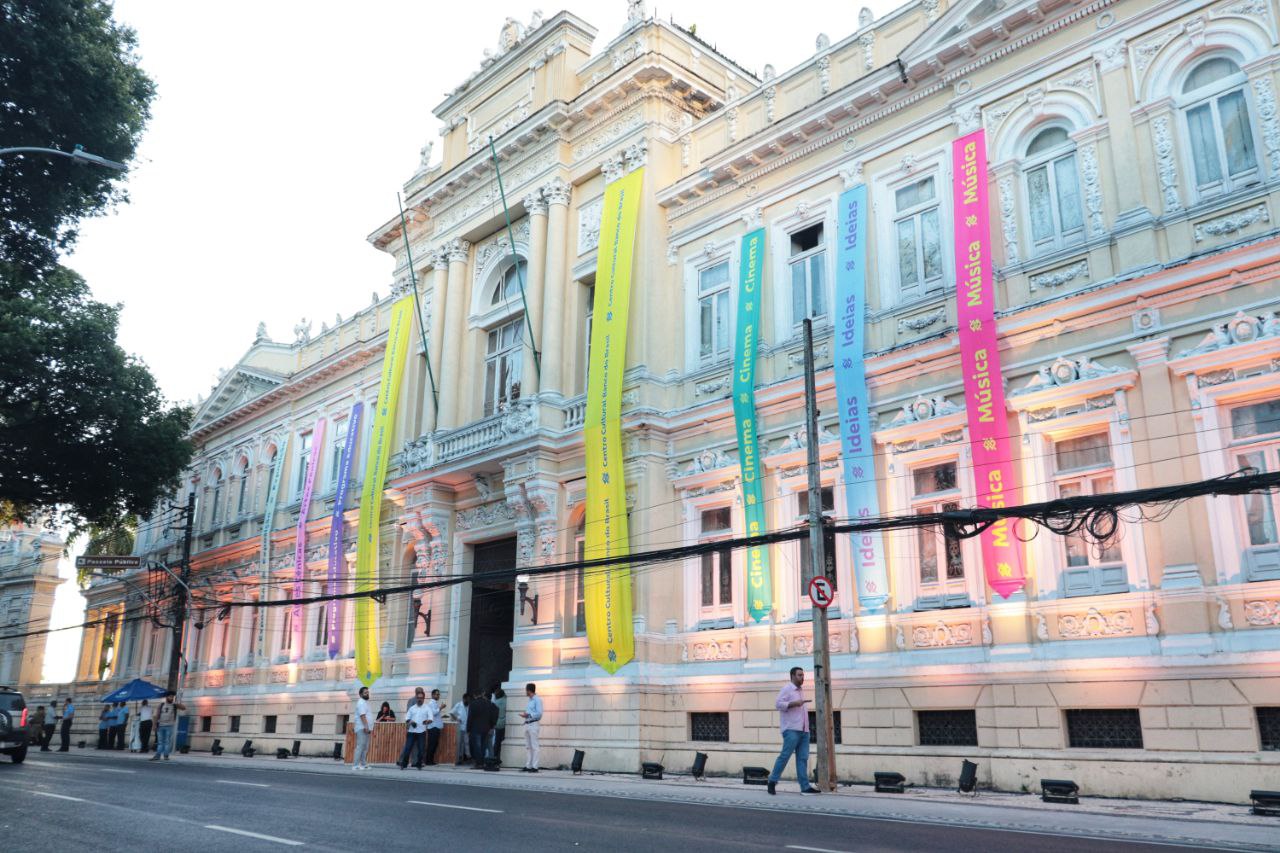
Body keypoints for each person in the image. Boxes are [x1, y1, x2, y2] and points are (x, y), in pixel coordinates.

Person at [767, 666, 819, 795]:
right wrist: (794, 703)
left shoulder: (801, 690)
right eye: (799, 675)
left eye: (803, 675)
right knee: (785, 756)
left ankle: (805, 787)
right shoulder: (787, 689)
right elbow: (778, 704)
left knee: (802, 758)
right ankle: (772, 781)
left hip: (804, 730)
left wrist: (806, 728)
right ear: (792, 676)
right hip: (791, 730)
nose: (802, 677)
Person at [397, 687, 432, 770]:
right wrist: (410, 722)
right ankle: (402, 762)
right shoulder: (411, 702)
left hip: (421, 730)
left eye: (421, 693)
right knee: (408, 747)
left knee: (419, 748)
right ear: (416, 694)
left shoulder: (426, 707)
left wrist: (427, 721)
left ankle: (416, 762)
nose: (419, 698)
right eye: (418, 693)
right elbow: (408, 714)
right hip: (411, 729)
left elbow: (430, 718)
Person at [149, 691, 185, 761]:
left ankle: (166, 755)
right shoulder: (161, 705)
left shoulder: (174, 705)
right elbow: (156, 715)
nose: (171, 698)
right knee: (160, 741)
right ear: (167, 697)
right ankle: (158, 755)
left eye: (172, 697)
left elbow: (183, 708)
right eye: (170, 696)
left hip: (169, 726)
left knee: (167, 741)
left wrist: (177, 702)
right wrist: (154, 725)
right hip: (161, 725)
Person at [519, 682, 542, 772]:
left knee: (535, 746)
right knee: (528, 746)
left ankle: (535, 767)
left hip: (533, 724)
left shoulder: (537, 700)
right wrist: (526, 716)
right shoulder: (530, 700)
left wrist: (528, 715)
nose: (525, 692)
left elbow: (539, 714)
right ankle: (528, 765)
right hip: (528, 724)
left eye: (526, 690)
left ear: (529, 690)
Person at [468, 690, 493, 768]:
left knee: (477, 746)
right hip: (486, 728)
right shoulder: (488, 703)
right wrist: (491, 726)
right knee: (483, 746)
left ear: (475, 696)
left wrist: (468, 729)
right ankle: (482, 762)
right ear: (482, 694)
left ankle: (478, 763)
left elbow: (470, 718)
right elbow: (491, 716)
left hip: (475, 728)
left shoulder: (473, 704)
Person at [353, 686, 373, 771]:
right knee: (360, 746)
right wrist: (366, 726)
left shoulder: (365, 702)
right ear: (361, 694)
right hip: (362, 728)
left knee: (365, 747)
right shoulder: (361, 702)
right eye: (365, 692)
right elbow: (362, 715)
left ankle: (363, 764)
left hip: (366, 728)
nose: (367, 693)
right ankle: (355, 765)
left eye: (367, 692)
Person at [425, 689, 444, 766]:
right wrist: (441, 708)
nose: (438, 696)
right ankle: (428, 761)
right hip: (433, 727)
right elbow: (433, 713)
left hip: (436, 726)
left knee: (435, 744)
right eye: (436, 694)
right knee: (432, 744)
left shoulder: (435, 703)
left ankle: (431, 760)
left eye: (438, 694)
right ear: (432, 695)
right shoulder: (430, 703)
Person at [450, 692, 470, 765]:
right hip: (459, 727)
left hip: (466, 727)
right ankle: (459, 758)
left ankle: (465, 756)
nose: (468, 701)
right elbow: (451, 712)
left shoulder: (469, 706)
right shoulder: (459, 704)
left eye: (469, 700)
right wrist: (456, 719)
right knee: (460, 743)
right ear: (464, 699)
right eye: (467, 700)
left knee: (466, 743)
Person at [491, 686, 507, 760]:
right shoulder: (507, 701)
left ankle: (495, 756)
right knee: (504, 741)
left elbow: (493, 714)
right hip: (505, 723)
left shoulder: (495, 703)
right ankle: (501, 757)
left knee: (497, 741)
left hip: (497, 724)